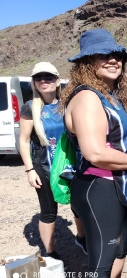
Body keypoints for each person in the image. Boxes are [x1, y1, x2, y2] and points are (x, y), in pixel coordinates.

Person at [61, 28, 127, 278]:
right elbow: (95, 153)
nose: (113, 60)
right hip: (98, 188)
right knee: (98, 269)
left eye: (117, 55)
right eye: (103, 55)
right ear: (86, 62)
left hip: (118, 187)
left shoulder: (108, 95)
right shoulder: (86, 97)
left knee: (120, 252)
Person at [19, 62, 85, 260]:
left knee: (78, 205)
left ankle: (82, 238)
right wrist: (30, 170)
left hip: (70, 164)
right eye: (39, 78)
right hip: (44, 167)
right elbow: (23, 141)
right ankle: (50, 253)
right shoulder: (30, 108)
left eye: (48, 77)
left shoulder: (67, 103)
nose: (44, 81)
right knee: (48, 212)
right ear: (34, 83)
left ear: (57, 81)